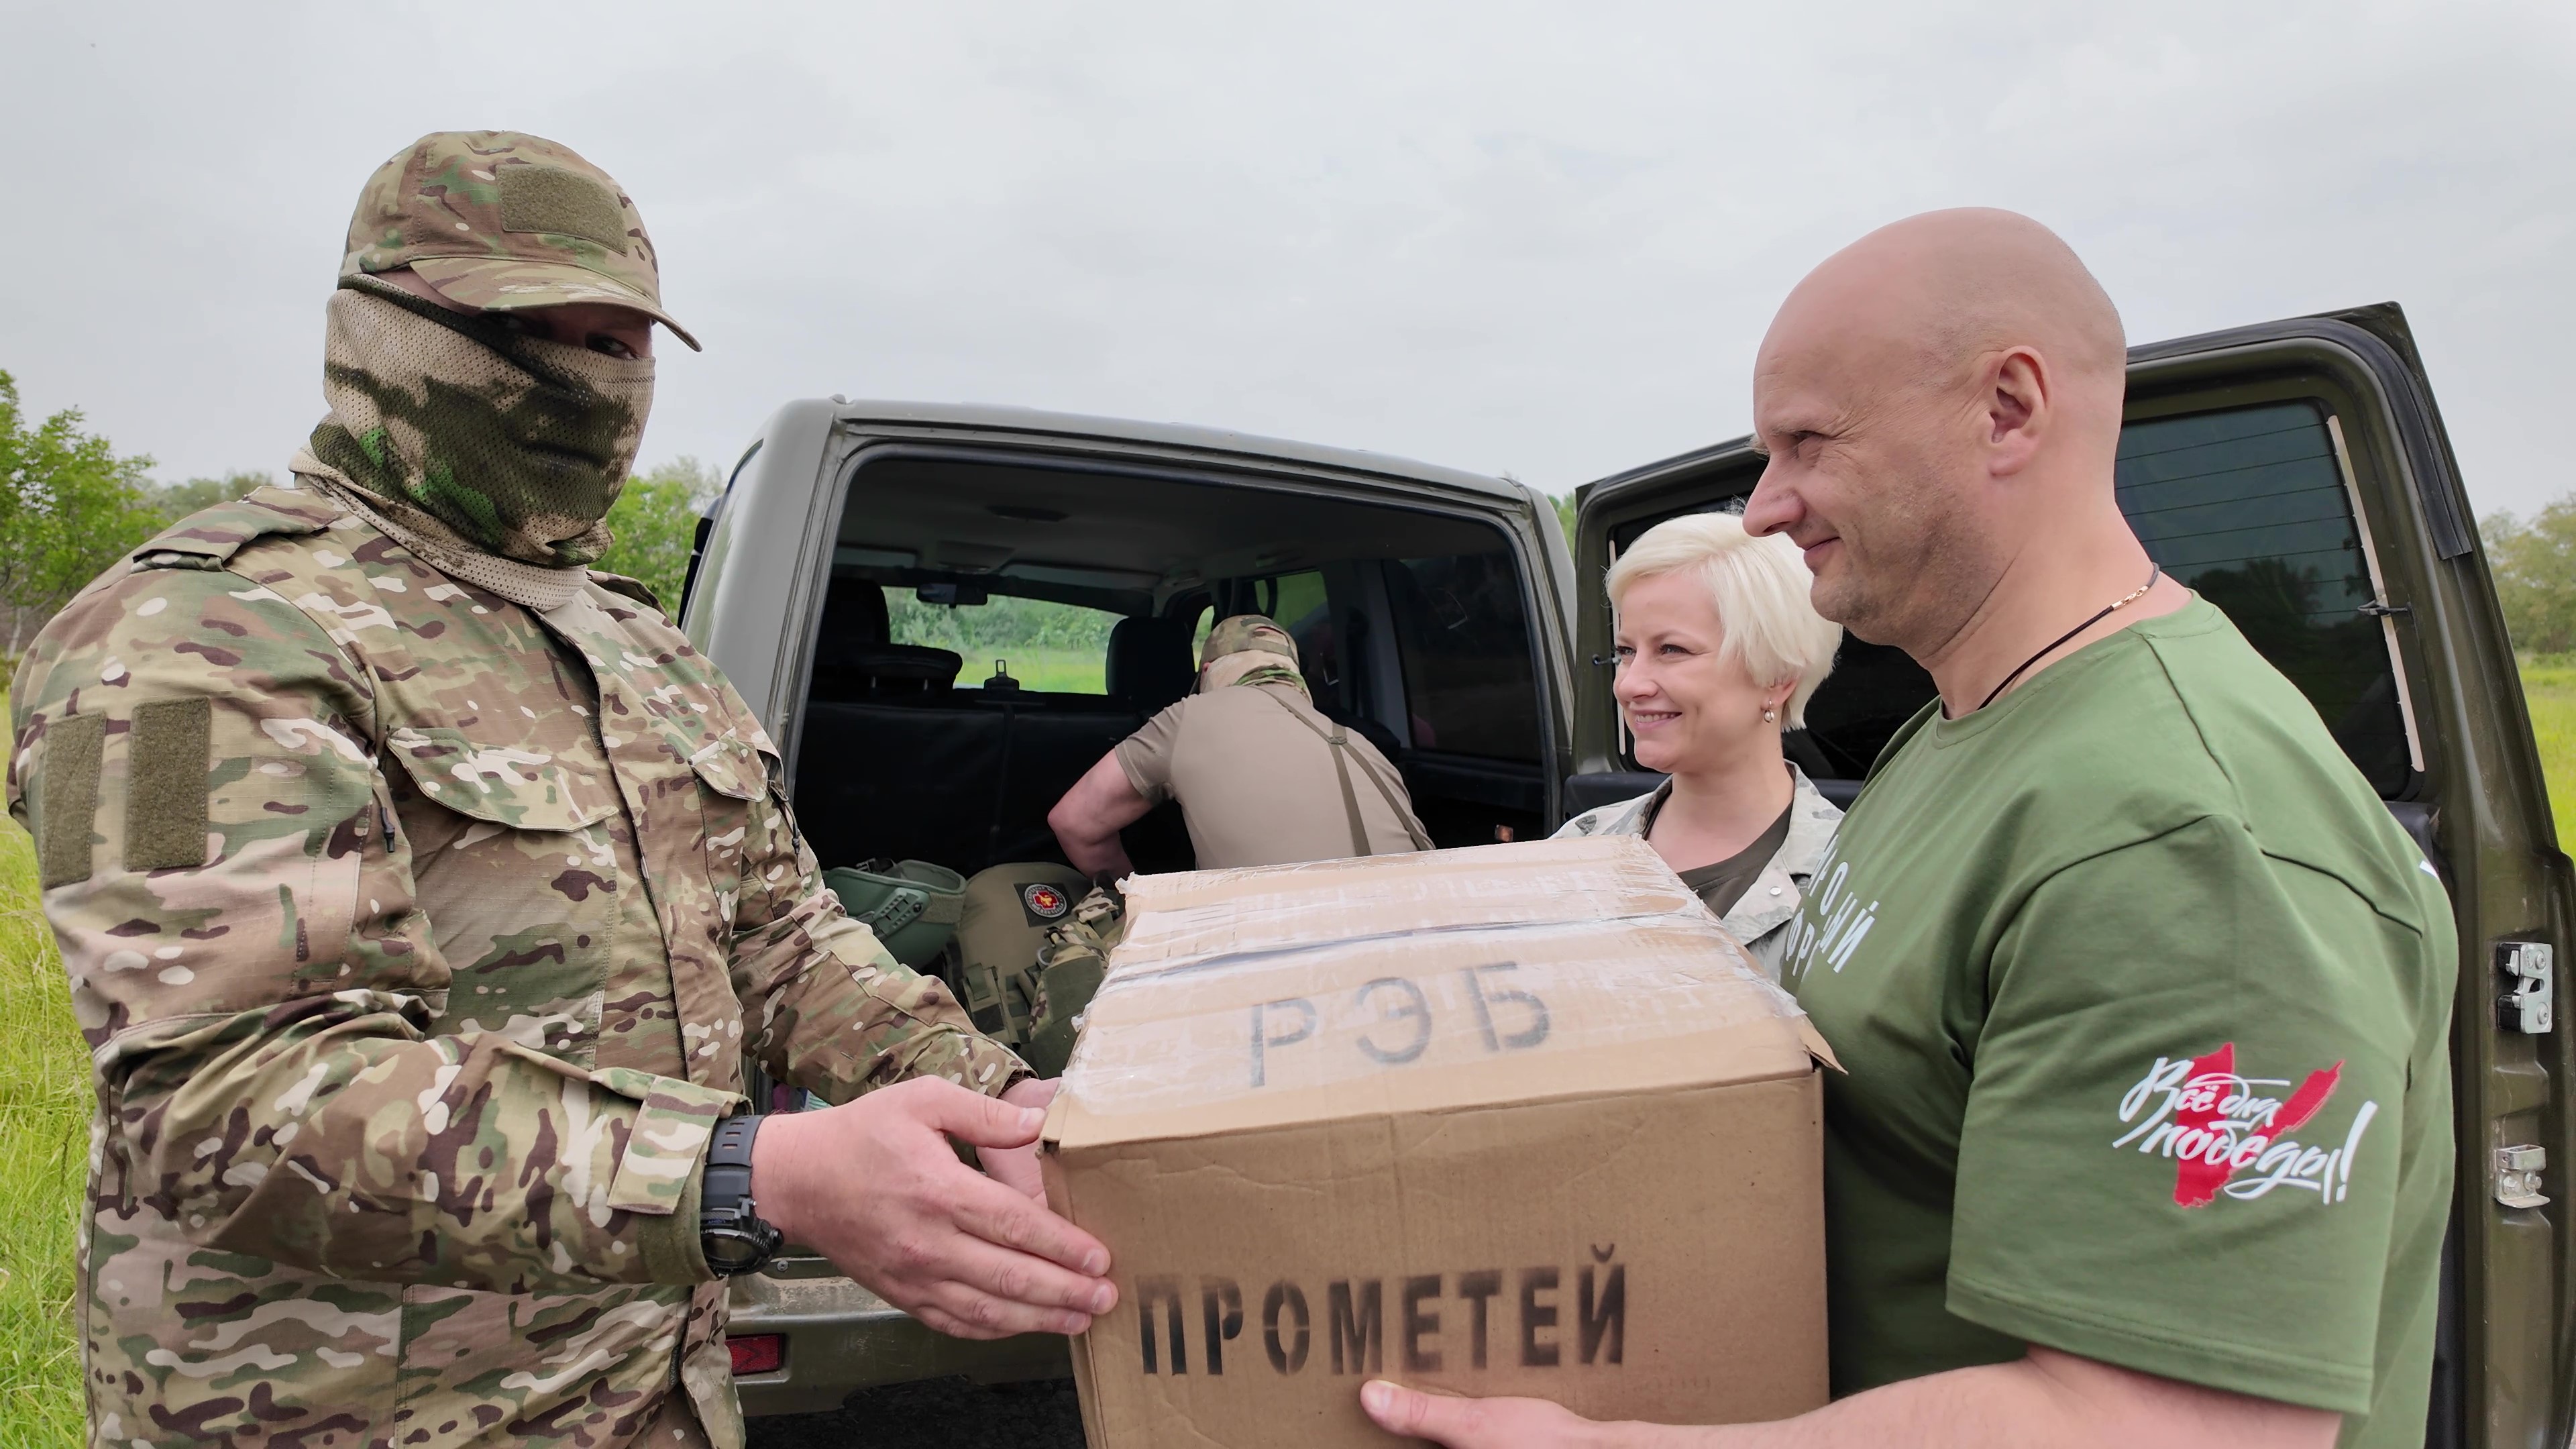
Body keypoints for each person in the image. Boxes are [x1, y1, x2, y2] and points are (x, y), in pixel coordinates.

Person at [7, 131, 1112, 1449]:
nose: (591, 380)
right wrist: (751, 1175)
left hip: (653, 1399)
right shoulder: (188, 643)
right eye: (537, 333)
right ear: (382, 331)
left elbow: (781, 939)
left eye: (620, 342)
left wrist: (993, 1093)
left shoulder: (647, 654)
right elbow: (225, 1101)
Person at [1360, 209, 2454, 1449]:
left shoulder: (2184, 834)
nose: (1764, 509)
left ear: (2007, 410)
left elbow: (2172, 1428)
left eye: (1807, 443)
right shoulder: (1953, 734)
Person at [1554, 511, 1843, 975]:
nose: (1630, 685)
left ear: (1777, 675)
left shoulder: (1852, 878)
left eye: (1672, 650)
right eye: (1626, 651)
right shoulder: (1576, 848)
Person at [1049, 613, 1432, 873]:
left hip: (1275, 952)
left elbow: (1074, 822)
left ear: (1208, 672)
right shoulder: (1363, 746)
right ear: (1293, 674)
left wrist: (1134, 910)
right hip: (1427, 942)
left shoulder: (1192, 716)